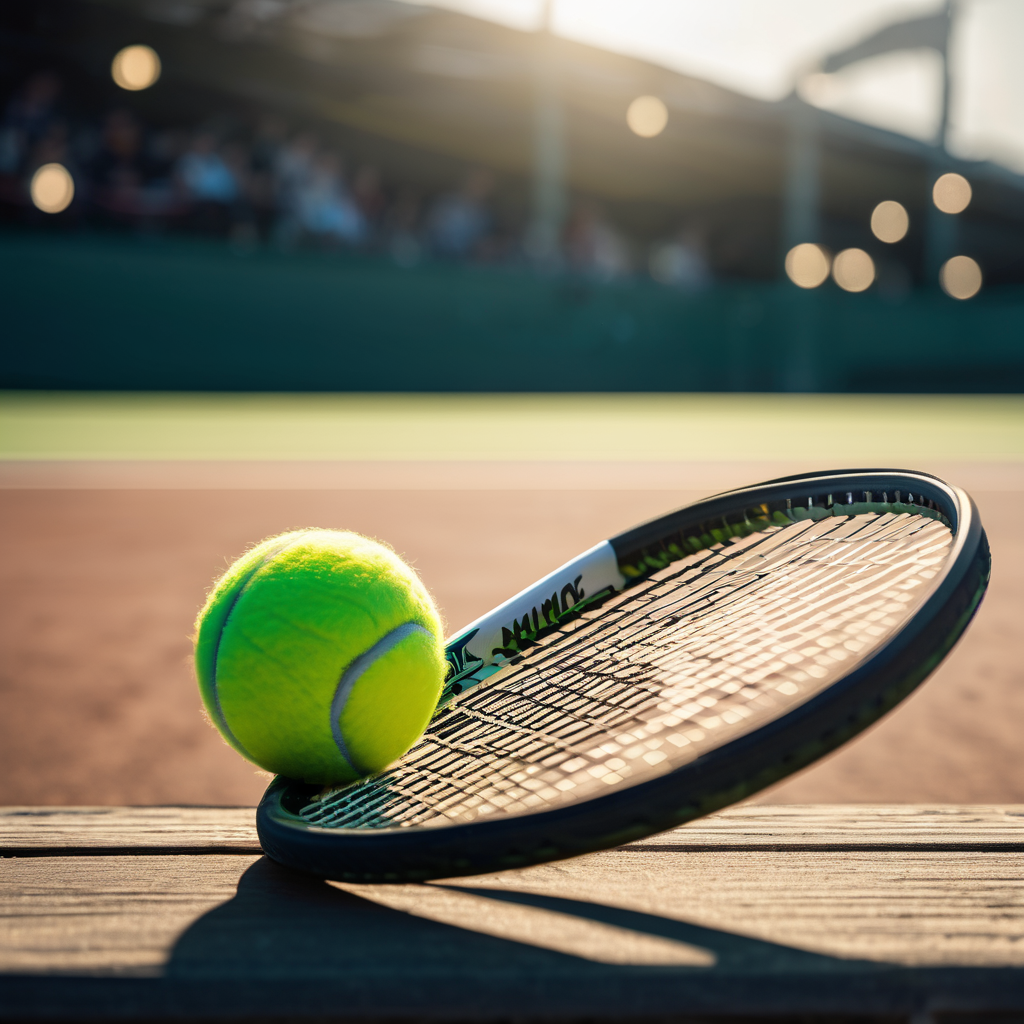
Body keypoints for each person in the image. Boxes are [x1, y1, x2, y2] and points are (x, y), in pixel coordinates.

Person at [426, 167, 493, 259]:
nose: (480, 188)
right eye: (477, 182)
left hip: (463, 262)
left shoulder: (485, 215)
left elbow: (482, 244)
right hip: (434, 255)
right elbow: (430, 229)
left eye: (485, 185)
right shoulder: (445, 203)